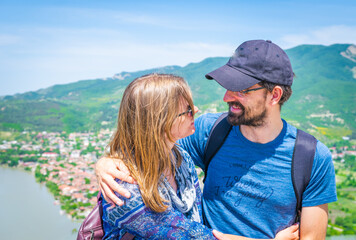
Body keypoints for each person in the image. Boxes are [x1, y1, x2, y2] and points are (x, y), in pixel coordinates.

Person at [96, 40, 337, 239]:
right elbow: (146, 146)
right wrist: (107, 163)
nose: (226, 97)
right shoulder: (209, 132)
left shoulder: (311, 157)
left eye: (241, 89)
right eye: (227, 86)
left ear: (274, 95)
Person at [100, 73, 298, 240]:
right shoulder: (125, 190)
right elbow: (196, 236)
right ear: (159, 121)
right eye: (187, 110)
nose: (196, 111)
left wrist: (102, 162)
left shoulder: (179, 158)